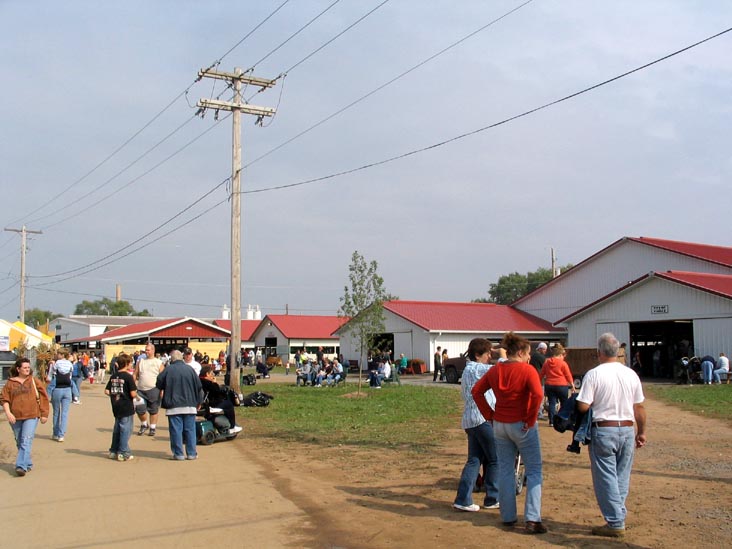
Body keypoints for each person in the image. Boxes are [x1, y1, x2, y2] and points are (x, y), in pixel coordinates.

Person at [472, 332, 546, 534]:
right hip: (522, 424)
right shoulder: (527, 370)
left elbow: (477, 391)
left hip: (500, 424)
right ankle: (533, 519)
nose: (529, 357)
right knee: (534, 470)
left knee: (505, 469)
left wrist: (489, 415)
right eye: (528, 354)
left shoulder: (495, 370)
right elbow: (538, 394)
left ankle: (507, 515)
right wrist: (530, 419)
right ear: (520, 352)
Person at [576, 333, 646, 538]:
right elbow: (639, 407)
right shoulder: (631, 374)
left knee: (605, 476)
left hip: (604, 429)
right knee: (621, 475)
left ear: (599, 352)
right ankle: (618, 514)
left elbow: (583, 406)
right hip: (627, 428)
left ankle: (615, 521)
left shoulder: (594, 374)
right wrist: (641, 432)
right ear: (617, 352)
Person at [453, 338, 499, 512]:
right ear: (478, 355)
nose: (490, 357)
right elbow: (502, 369)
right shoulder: (475, 369)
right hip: (481, 420)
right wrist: (503, 354)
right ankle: (492, 498)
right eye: (488, 354)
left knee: (474, 460)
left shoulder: (469, 369)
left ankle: (463, 499)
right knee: (495, 459)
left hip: (471, 421)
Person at [1, 357, 50, 476]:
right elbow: (4, 399)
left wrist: (44, 414)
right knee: (19, 441)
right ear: (18, 369)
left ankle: (21, 466)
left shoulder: (34, 381)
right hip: (15, 417)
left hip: (32, 415)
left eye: (28, 367)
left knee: (26, 440)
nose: (27, 369)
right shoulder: (10, 383)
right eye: (25, 368)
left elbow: (44, 397)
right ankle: (27, 463)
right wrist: (8, 413)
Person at [156, 349, 204, 461]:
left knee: (176, 431)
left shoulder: (168, 370)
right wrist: (199, 402)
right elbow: (199, 387)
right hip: (190, 404)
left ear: (171, 359)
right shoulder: (190, 370)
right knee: (190, 430)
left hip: (173, 405)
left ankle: (178, 454)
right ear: (181, 358)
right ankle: (191, 453)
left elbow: (158, 383)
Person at [104, 353, 138, 461]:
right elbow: (133, 393)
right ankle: (123, 452)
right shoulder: (128, 377)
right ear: (127, 364)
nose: (131, 365)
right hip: (126, 406)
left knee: (117, 429)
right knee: (125, 430)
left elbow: (106, 391)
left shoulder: (113, 376)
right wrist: (138, 397)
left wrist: (115, 395)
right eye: (131, 363)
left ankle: (113, 451)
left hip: (116, 405)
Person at [199, 365, 242, 434]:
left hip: (200, 404)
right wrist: (215, 383)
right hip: (210, 404)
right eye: (211, 374)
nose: (213, 375)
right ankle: (232, 427)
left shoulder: (198, 381)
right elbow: (216, 391)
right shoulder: (207, 383)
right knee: (229, 404)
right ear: (207, 374)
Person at [540, 344, 575, 427]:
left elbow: (542, 374)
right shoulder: (563, 363)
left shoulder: (547, 362)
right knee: (564, 403)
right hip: (562, 385)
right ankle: (563, 420)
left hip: (549, 385)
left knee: (552, 403)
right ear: (560, 354)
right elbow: (568, 375)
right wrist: (572, 385)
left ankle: (552, 421)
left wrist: (538, 382)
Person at [134, 342, 165, 437]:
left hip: (154, 389)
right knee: (139, 409)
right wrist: (132, 385)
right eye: (145, 350)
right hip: (141, 390)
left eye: (148, 350)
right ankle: (144, 424)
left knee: (153, 410)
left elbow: (162, 377)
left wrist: (162, 390)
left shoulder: (158, 362)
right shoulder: (140, 361)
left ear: (153, 350)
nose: (146, 352)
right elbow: (135, 373)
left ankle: (152, 427)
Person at [48, 349, 74, 442]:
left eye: (58, 354)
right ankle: (61, 435)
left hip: (57, 389)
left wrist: (52, 365)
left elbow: (50, 376)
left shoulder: (56, 363)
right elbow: (71, 375)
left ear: (62, 355)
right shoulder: (70, 364)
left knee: (56, 413)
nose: (56, 355)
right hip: (67, 390)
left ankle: (55, 433)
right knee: (64, 413)